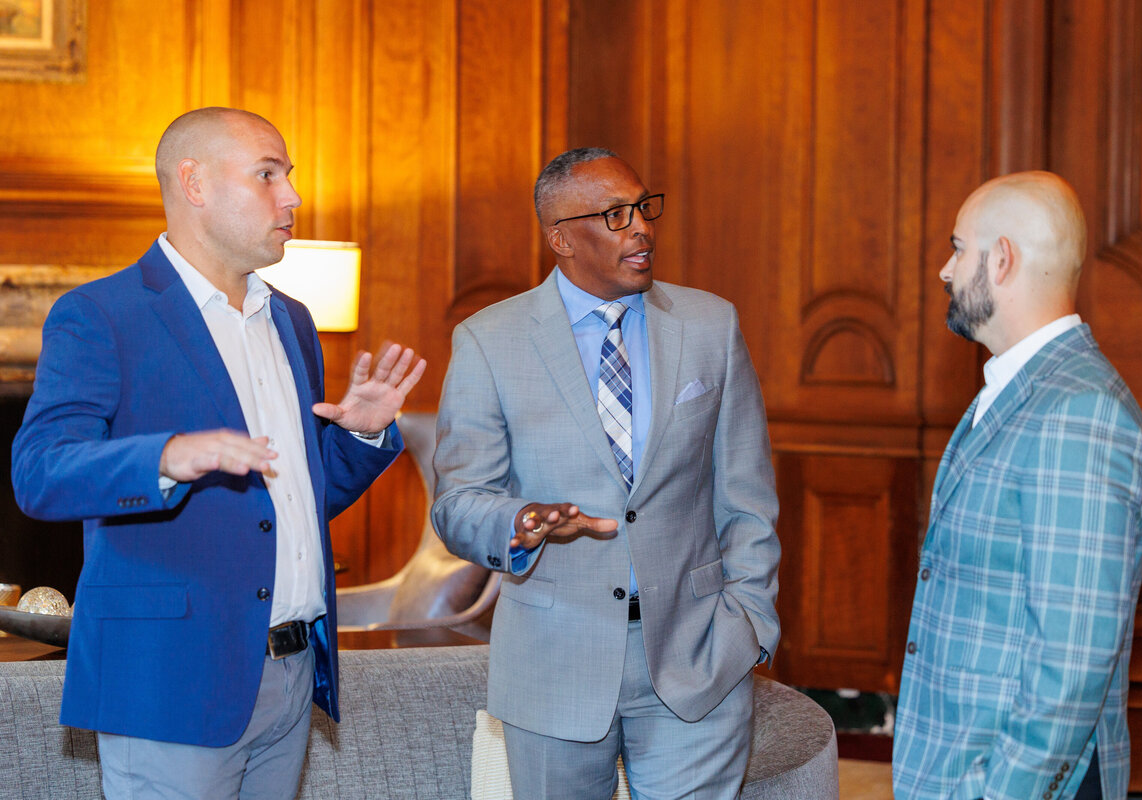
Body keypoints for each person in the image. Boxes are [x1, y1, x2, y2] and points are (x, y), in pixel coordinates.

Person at [11, 107, 426, 799]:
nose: (292, 196)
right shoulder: (101, 314)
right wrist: (168, 456)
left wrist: (355, 435)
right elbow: (40, 472)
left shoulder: (290, 319)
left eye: (288, 175)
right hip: (169, 680)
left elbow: (293, 502)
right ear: (194, 183)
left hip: (292, 673)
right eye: (268, 174)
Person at [431, 147, 780, 799]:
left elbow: (747, 491)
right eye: (616, 215)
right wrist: (520, 521)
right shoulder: (489, 339)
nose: (642, 228)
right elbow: (456, 502)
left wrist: (750, 619)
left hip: (698, 654)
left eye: (645, 208)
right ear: (561, 237)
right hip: (553, 664)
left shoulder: (711, 324)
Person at [892, 171, 1142, 800]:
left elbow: (1071, 663)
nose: (946, 271)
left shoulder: (1079, 413)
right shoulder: (1024, 389)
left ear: (1002, 259)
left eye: (959, 248)